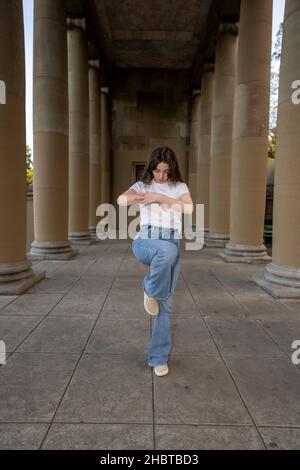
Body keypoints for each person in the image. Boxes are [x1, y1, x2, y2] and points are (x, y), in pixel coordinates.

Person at [117, 147, 194, 377]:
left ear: (172, 170)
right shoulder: (143, 186)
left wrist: (162, 197)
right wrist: (137, 197)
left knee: (166, 306)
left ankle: (158, 357)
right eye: (157, 170)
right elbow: (121, 200)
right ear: (151, 168)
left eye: (165, 171)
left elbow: (189, 207)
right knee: (167, 251)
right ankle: (149, 287)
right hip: (146, 241)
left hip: (171, 240)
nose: (161, 175)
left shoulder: (179, 187)